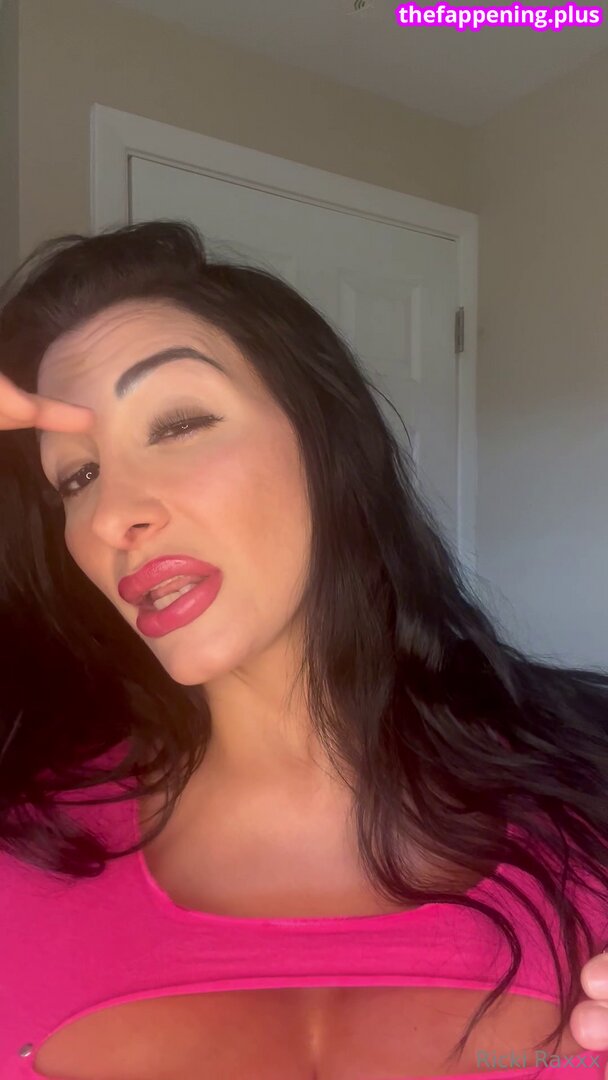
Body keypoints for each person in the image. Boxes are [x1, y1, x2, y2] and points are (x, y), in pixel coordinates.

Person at [0, 219, 607, 1080]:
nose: (111, 516)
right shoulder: (24, 840)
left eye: (177, 424)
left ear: (327, 443)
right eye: (77, 476)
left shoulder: (592, 786)